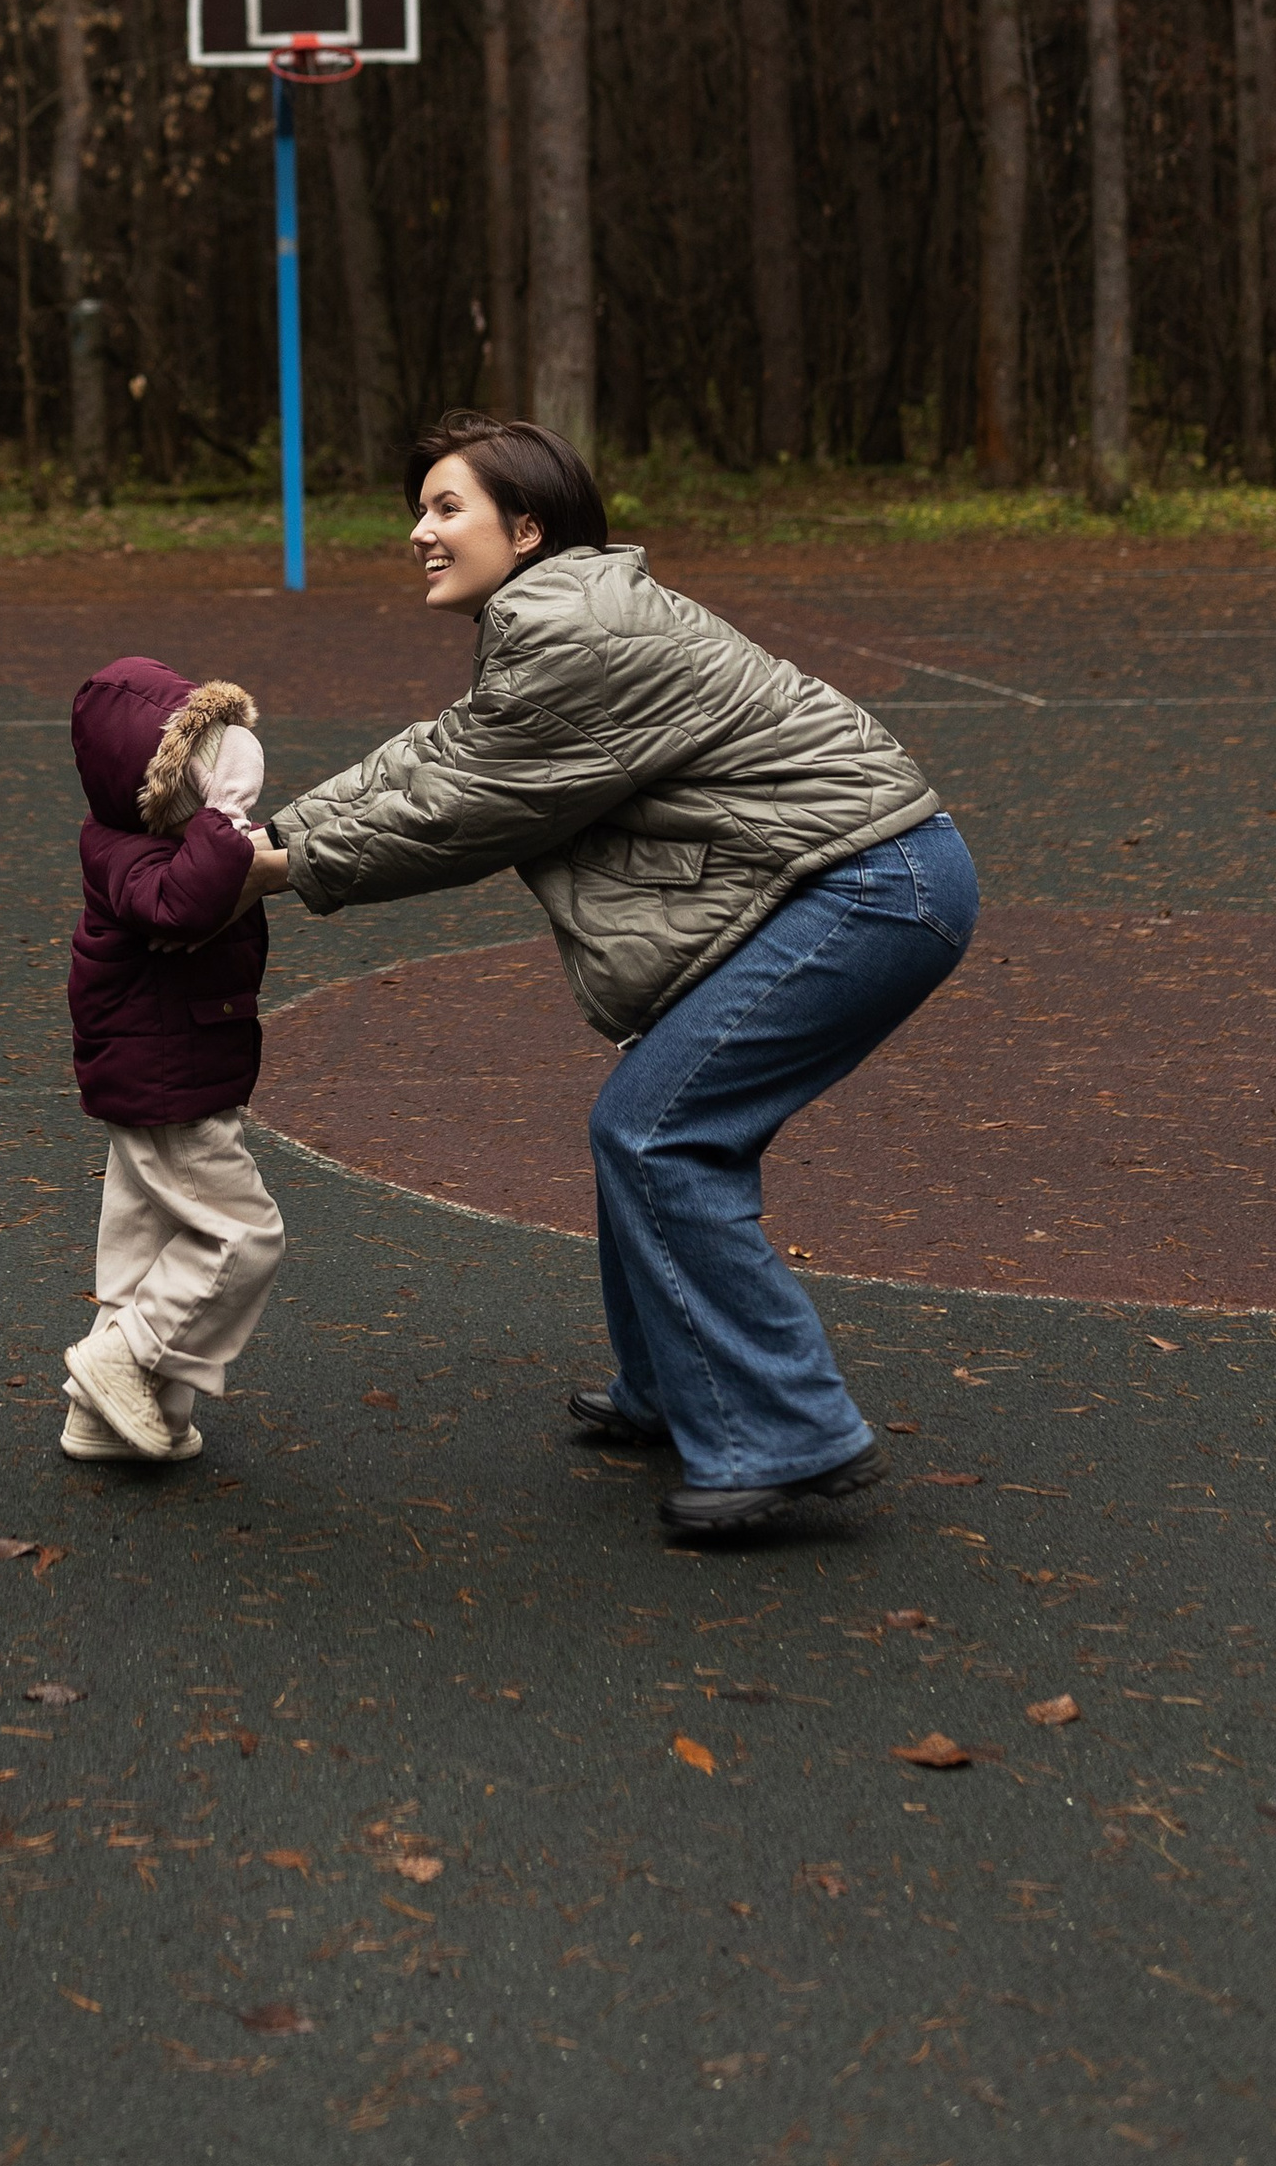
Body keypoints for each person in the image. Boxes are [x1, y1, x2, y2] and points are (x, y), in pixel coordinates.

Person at [252, 411, 976, 1545]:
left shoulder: (571, 625)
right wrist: (271, 832)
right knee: (652, 1123)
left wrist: (280, 875)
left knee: (657, 1132)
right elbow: (441, 751)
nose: (418, 531)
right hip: (845, 876)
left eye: (448, 509)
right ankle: (677, 1389)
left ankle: (788, 1438)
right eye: (422, 507)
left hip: (868, 889)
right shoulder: (556, 611)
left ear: (526, 527)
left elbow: (466, 809)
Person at [59, 659, 287, 1466]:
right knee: (242, 1235)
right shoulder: (126, 852)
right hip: (166, 1080)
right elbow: (182, 905)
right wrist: (224, 820)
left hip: (170, 1066)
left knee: (146, 1243)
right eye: (205, 762)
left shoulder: (155, 838)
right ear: (149, 781)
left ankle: (103, 1416)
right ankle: (126, 1356)